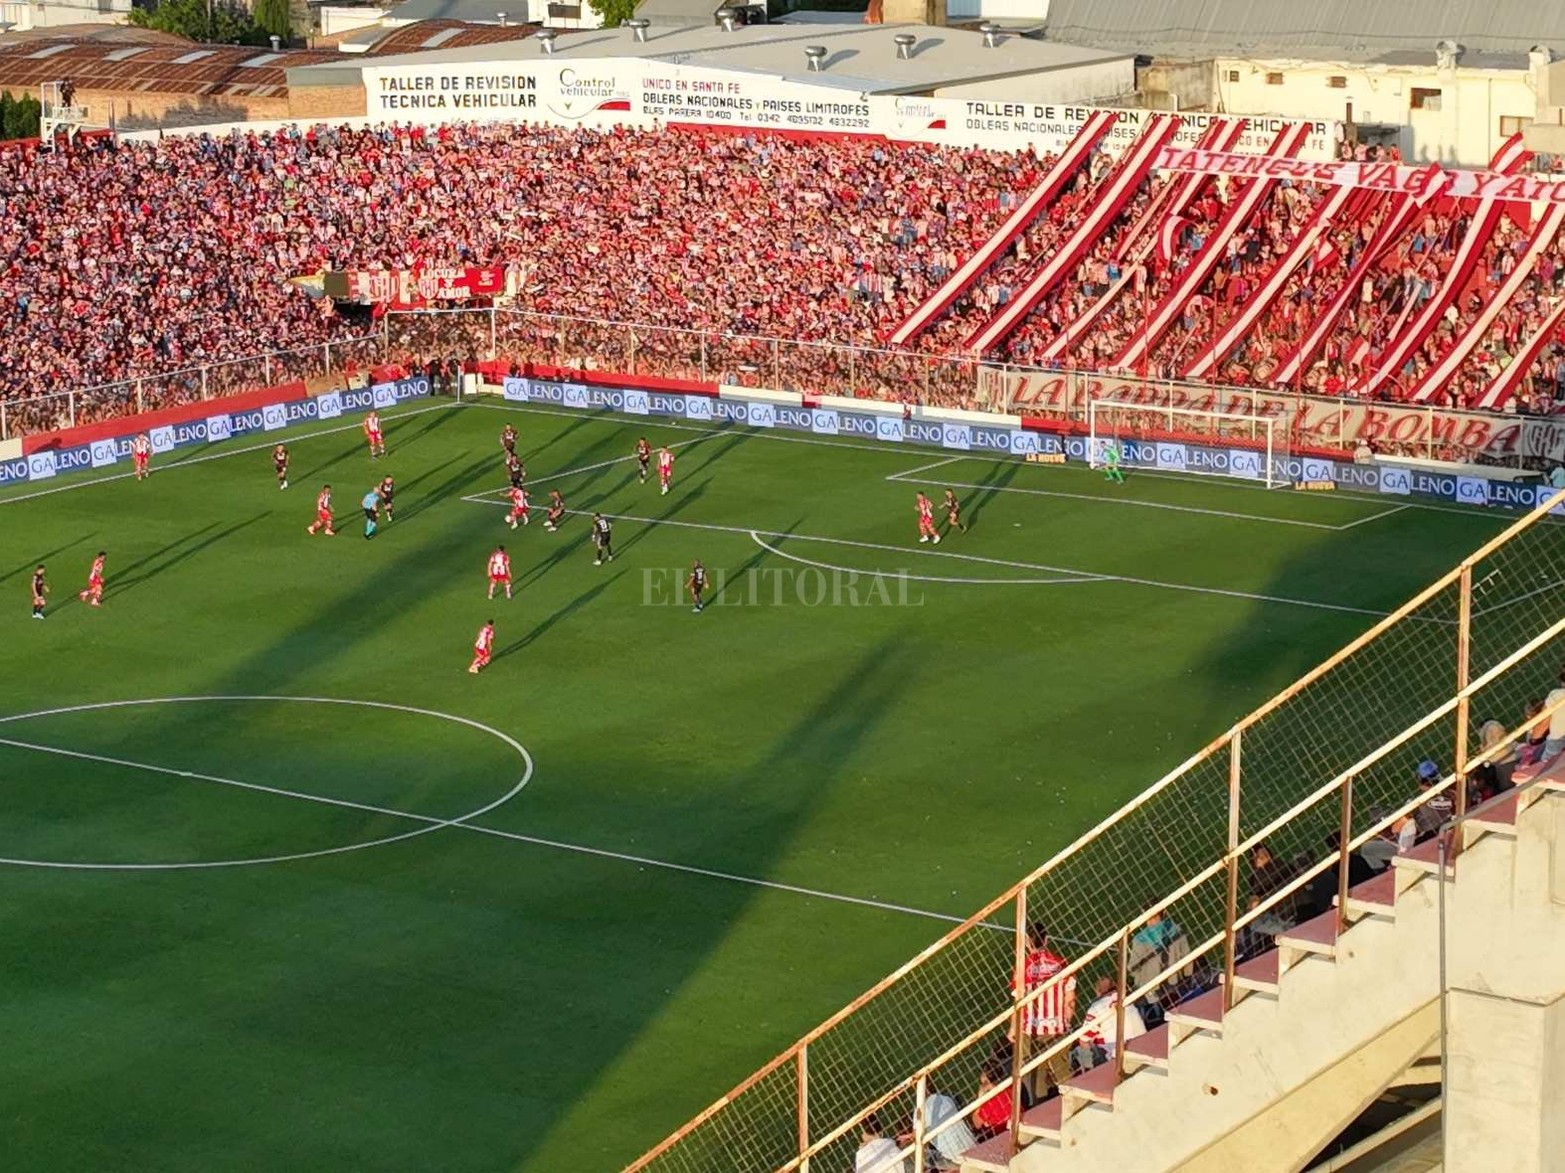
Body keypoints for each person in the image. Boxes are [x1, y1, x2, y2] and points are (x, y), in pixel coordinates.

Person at [1012, 921, 1075, 1089]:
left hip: (1030, 1030)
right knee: (1062, 1071)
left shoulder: (1023, 967)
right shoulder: (1060, 963)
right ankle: (1074, 1101)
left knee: (1033, 1075)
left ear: (1027, 942)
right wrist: (1067, 1022)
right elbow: (1070, 998)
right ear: (1046, 940)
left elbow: (1017, 1002)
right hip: (1056, 1026)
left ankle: (1039, 1105)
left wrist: (1013, 1029)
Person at [1072, 976, 1146, 1073]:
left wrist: (1087, 1066)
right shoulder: (1126, 997)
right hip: (1145, 1045)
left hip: (1122, 1058)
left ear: (1097, 992)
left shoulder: (1096, 1008)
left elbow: (1083, 1040)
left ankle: (1090, 1074)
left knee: (1085, 1045)